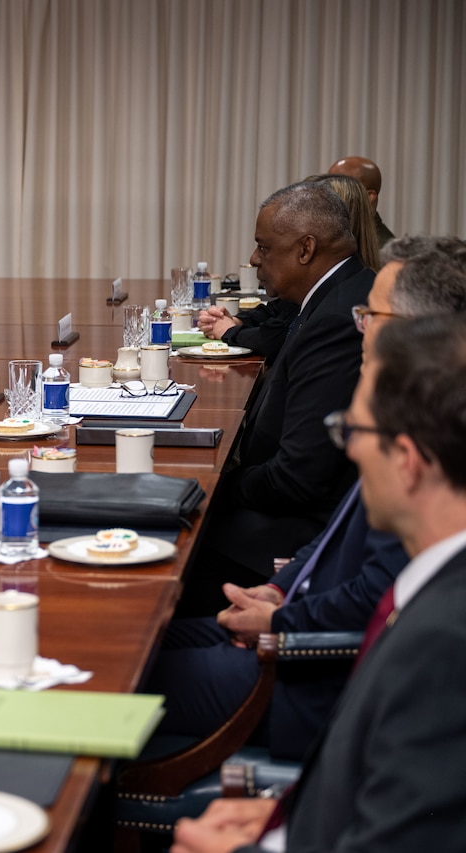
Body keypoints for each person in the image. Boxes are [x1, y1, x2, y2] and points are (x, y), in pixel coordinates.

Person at [145, 236, 466, 760]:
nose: (358, 322)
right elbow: (339, 535)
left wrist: (279, 620)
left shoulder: (426, 438)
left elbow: (381, 593)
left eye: (372, 313)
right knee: (133, 644)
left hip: (307, 671)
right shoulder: (406, 403)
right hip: (294, 617)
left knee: (118, 676)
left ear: (416, 331)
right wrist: (278, 590)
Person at [172, 312, 466, 853]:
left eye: (352, 431)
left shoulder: (442, 639)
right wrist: (282, 817)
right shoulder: (436, 581)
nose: (348, 451)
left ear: (406, 461)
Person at [184, 181, 375, 608]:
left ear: (305, 250)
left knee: (177, 546)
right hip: (297, 506)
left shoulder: (337, 321)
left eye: (264, 248)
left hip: (303, 531)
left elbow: (297, 479)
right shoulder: (338, 292)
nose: (254, 260)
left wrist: (217, 486)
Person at [197, 174, 380, 361]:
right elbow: (278, 310)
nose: (253, 259)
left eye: (263, 248)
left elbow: (274, 338)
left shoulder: (336, 316)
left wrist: (230, 331)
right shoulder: (338, 284)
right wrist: (239, 321)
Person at [328, 155, 396, 246]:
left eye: (339, 187)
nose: (327, 193)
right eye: (327, 185)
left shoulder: (383, 252)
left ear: (368, 198)